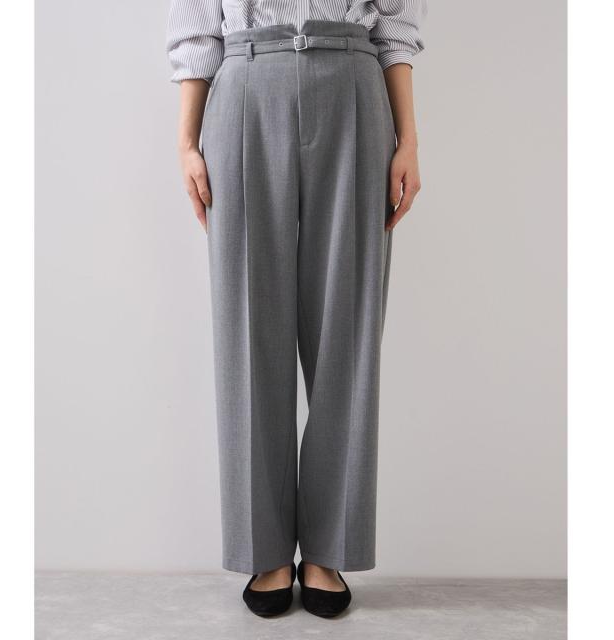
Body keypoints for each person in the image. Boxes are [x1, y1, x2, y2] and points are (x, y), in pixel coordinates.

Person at [166, 0, 426, 618]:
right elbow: (196, 25)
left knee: (348, 332)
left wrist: (409, 138)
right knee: (248, 332)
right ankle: (265, 550)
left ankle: (328, 550)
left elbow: (396, 24)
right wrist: (186, 142)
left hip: (354, 88)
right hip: (246, 87)